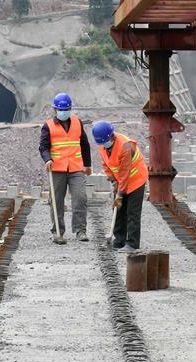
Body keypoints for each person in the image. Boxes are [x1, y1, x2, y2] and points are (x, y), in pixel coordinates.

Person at [40, 92, 91, 243]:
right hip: (57, 169)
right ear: (55, 110)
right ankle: (58, 232)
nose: (64, 112)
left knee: (80, 198)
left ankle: (80, 230)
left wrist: (87, 164)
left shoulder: (77, 122)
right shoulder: (48, 126)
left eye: (66, 109)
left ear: (70, 109)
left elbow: (84, 144)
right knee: (56, 201)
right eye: (61, 110)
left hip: (76, 168)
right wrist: (47, 159)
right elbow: (43, 147)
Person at [92, 120, 147, 253]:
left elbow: (124, 173)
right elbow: (106, 164)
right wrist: (113, 180)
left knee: (132, 212)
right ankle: (119, 241)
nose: (103, 145)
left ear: (111, 136)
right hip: (121, 180)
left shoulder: (125, 147)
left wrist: (120, 195)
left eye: (105, 141)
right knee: (118, 209)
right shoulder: (103, 144)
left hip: (136, 179)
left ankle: (132, 244)